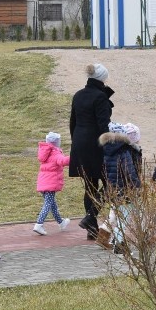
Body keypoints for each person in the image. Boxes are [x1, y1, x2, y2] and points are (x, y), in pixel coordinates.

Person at [69, 63, 114, 240]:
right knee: (111, 183)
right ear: (103, 78)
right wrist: (110, 145)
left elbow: (72, 122)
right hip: (97, 145)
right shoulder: (100, 98)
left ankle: (91, 228)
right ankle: (90, 217)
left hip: (80, 143)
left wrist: (76, 143)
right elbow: (104, 126)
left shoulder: (78, 95)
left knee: (90, 186)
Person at [97, 122, 142, 251]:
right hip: (125, 188)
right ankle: (119, 243)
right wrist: (137, 185)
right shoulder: (124, 151)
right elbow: (129, 171)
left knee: (116, 213)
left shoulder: (107, 150)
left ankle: (104, 236)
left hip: (113, 187)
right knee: (124, 217)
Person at [34, 132, 71, 236]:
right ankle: (38, 224)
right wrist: (74, 156)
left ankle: (61, 222)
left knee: (52, 204)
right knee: (47, 204)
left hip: (42, 182)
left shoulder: (45, 152)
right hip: (51, 183)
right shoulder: (56, 153)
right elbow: (63, 161)